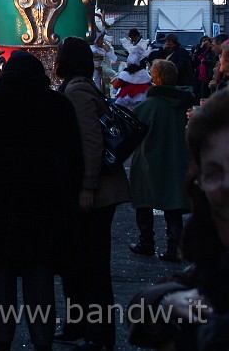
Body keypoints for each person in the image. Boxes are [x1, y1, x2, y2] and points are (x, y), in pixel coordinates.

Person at [0, 50, 83, 351]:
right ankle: (42, 341)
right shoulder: (58, 105)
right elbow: (75, 156)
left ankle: (1, 339)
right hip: (44, 202)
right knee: (40, 273)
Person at [126, 89, 229, 350]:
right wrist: (166, 301)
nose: (226, 185)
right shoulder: (213, 265)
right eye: (214, 173)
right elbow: (140, 308)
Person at [54, 36, 131, 351]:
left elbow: (90, 141)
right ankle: (80, 326)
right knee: (79, 262)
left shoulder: (77, 91)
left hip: (94, 192)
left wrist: (87, 186)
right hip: (94, 190)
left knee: (92, 266)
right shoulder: (84, 86)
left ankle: (98, 335)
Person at [128, 59, 194, 262]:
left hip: (148, 160)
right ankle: (175, 247)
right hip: (176, 159)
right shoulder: (184, 102)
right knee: (173, 205)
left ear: (155, 78)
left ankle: (146, 242)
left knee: (144, 202)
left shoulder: (147, 106)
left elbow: (132, 133)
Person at [112, 28, 152, 109]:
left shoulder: (124, 74)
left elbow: (117, 85)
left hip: (125, 99)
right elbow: (149, 85)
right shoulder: (144, 74)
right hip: (141, 101)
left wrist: (115, 88)